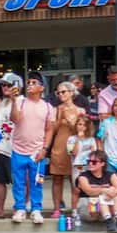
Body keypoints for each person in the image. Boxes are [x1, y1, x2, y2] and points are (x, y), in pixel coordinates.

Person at [9, 71, 55, 225]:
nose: (30, 85)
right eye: (28, 82)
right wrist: (14, 101)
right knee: (19, 181)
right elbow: (14, 119)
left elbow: (49, 129)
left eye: (34, 83)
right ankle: (20, 208)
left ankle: (36, 209)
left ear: (42, 88)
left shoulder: (48, 107)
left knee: (37, 181)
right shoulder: (21, 102)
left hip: (37, 151)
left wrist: (45, 149)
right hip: (18, 149)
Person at [48, 82, 83, 217]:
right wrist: (60, 118)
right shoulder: (56, 109)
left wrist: (70, 122)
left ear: (72, 93)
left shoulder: (80, 111)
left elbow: (82, 130)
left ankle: (76, 207)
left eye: (63, 92)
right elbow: (53, 130)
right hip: (60, 145)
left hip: (76, 147)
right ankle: (57, 208)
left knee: (76, 179)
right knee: (57, 178)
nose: (61, 95)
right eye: (58, 92)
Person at [0, 73, 20, 218]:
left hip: (16, 146)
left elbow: (18, 119)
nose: (4, 88)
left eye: (8, 85)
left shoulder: (22, 101)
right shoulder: (0, 103)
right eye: (3, 85)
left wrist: (14, 101)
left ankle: (20, 206)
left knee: (19, 180)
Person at [75, 150, 117, 231]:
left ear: (102, 164)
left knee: (114, 195)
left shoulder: (110, 175)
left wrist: (111, 191)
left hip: (106, 208)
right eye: (88, 161)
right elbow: (89, 191)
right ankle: (114, 220)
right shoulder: (83, 176)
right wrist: (105, 190)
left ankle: (116, 220)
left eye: (94, 162)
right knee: (103, 195)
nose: (90, 163)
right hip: (89, 209)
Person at [66, 114, 98, 219]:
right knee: (77, 189)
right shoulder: (71, 139)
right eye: (79, 124)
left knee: (92, 188)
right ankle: (74, 210)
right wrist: (78, 140)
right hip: (77, 166)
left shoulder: (91, 139)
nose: (81, 127)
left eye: (84, 125)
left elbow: (94, 153)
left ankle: (93, 210)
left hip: (89, 166)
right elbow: (73, 153)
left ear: (87, 127)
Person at [97, 93, 117, 174]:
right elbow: (99, 140)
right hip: (110, 161)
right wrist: (102, 155)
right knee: (110, 185)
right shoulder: (106, 122)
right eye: (115, 105)